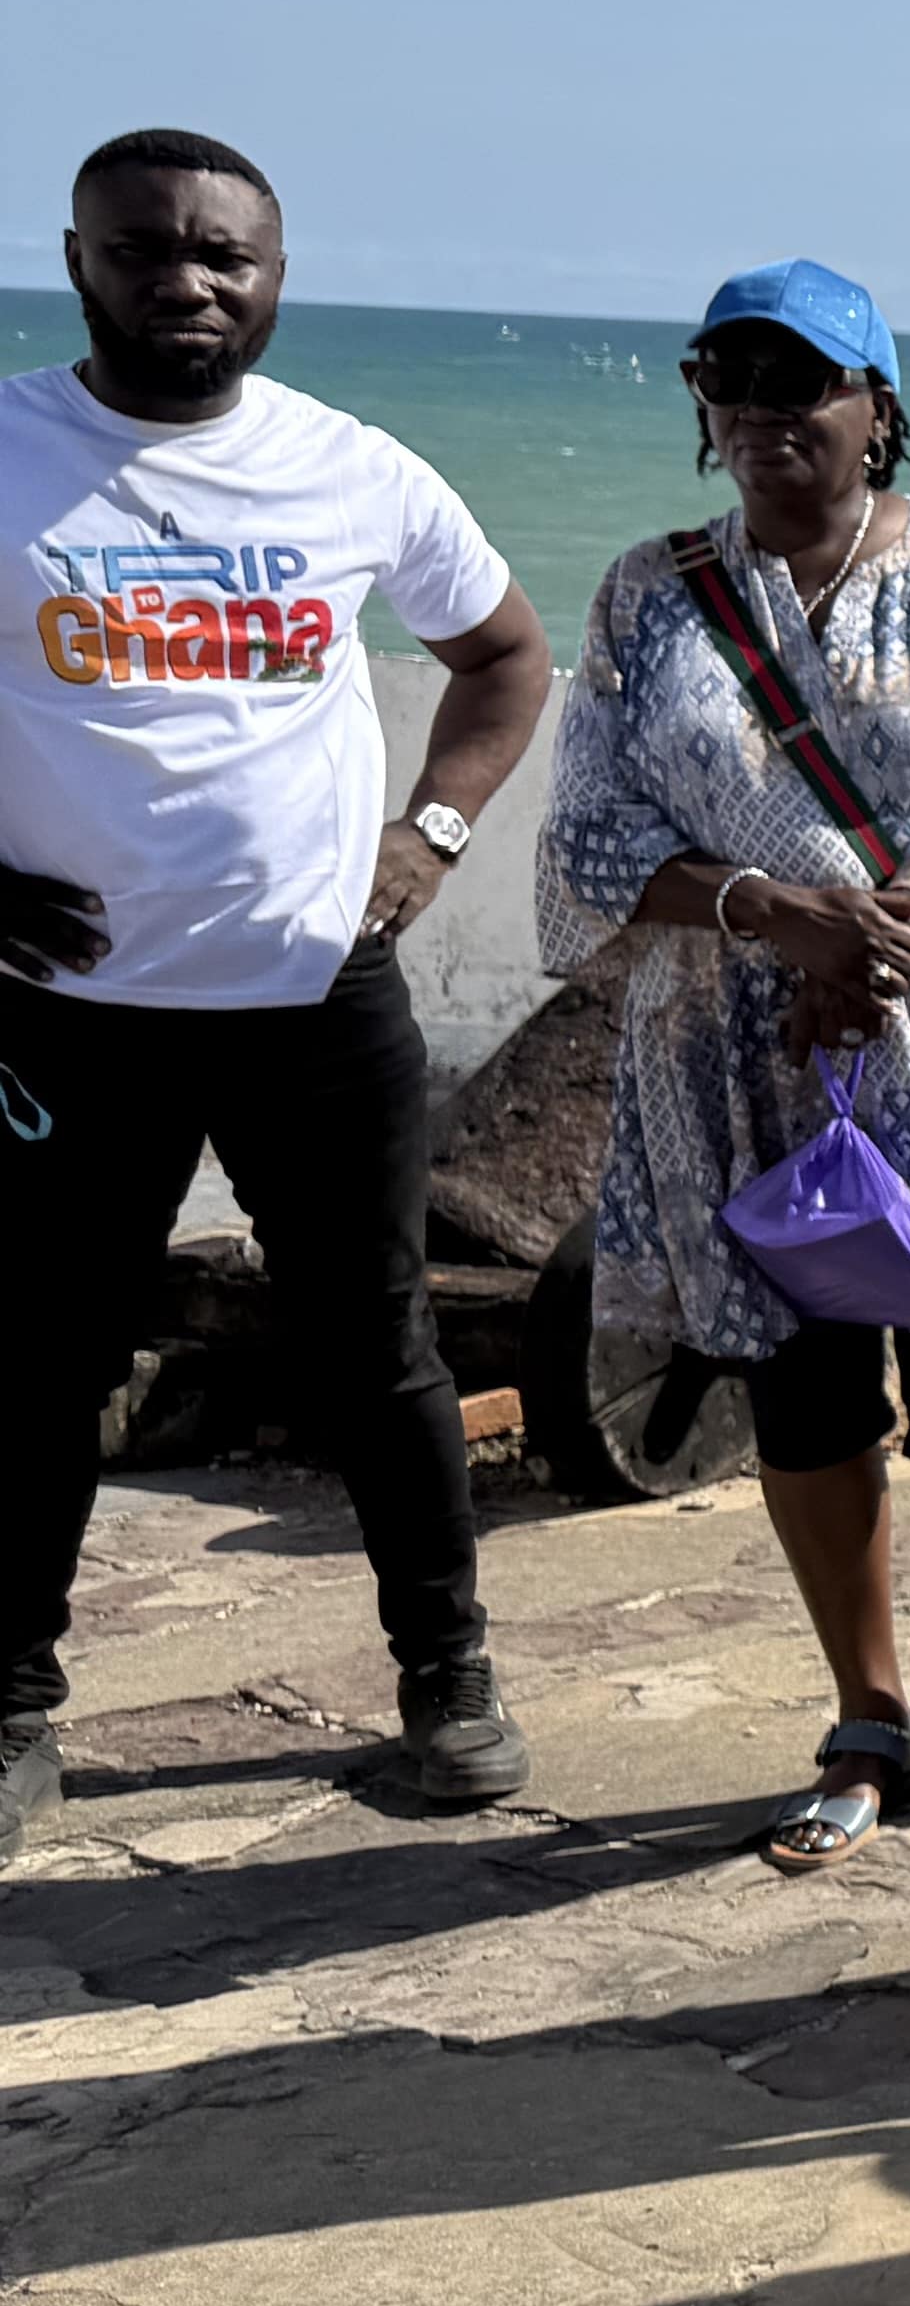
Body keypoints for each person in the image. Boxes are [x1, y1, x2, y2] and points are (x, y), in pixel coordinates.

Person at [540, 262, 910, 1864]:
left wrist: (893, 920)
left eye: (803, 380)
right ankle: (865, 1712)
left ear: (879, 406)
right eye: (729, 379)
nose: (762, 409)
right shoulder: (643, 593)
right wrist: (766, 911)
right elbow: (590, 840)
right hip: (741, 1059)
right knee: (802, 1398)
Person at [0, 130, 548, 1842]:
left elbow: (505, 653)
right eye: (151, 249)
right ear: (80, 257)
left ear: (278, 276)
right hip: (67, 1014)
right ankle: (12, 1704)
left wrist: (435, 831)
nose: (190, 282)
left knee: (375, 1345)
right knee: (36, 1357)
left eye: (226, 255)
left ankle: (448, 1673)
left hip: (316, 996)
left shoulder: (350, 468)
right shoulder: (11, 450)